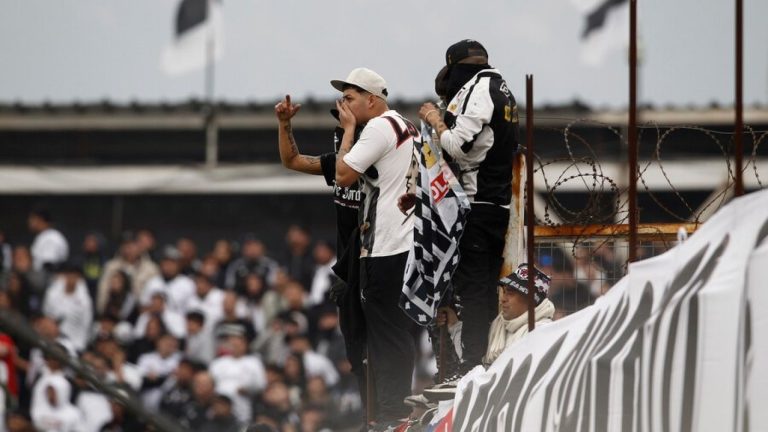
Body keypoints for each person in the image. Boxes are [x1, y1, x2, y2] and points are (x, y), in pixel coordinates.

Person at [412, 39, 520, 381]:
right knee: (485, 288)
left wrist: (435, 119)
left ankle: (472, 363)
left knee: (473, 288)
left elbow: (458, 145)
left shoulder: (480, 88)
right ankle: (484, 358)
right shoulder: (502, 89)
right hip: (496, 204)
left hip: (475, 204)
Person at [332, 67, 419, 428]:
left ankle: (392, 412)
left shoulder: (380, 126)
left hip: (388, 243)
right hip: (406, 239)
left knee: (386, 330)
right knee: (392, 328)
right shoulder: (406, 125)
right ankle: (392, 409)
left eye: (350, 98)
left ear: (372, 100)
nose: (343, 106)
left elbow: (343, 175)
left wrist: (348, 131)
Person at [423, 263, 555, 401]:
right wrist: (454, 326)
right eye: (504, 291)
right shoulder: (499, 324)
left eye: (510, 293)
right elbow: (475, 360)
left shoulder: (542, 333)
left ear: (531, 299)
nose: (503, 299)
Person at [27, 207, 69, 274]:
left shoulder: (51, 237)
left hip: (50, 278)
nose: (29, 222)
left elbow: (49, 266)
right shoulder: (43, 236)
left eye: (32, 219)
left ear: (39, 219)